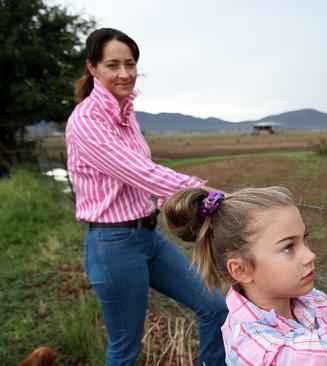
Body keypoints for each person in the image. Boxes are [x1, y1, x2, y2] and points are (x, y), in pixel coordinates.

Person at [164, 145, 327, 365]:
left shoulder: (309, 302)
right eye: (288, 247)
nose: (309, 256)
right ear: (241, 269)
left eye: (304, 240)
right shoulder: (252, 346)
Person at [65, 28, 228, 366]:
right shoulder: (86, 121)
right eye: (113, 65)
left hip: (147, 236)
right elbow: (141, 173)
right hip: (113, 245)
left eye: (130, 64)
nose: (124, 73)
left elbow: (143, 168)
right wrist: (203, 193)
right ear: (92, 68)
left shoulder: (127, 113)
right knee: (125, 349)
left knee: (216, 307)